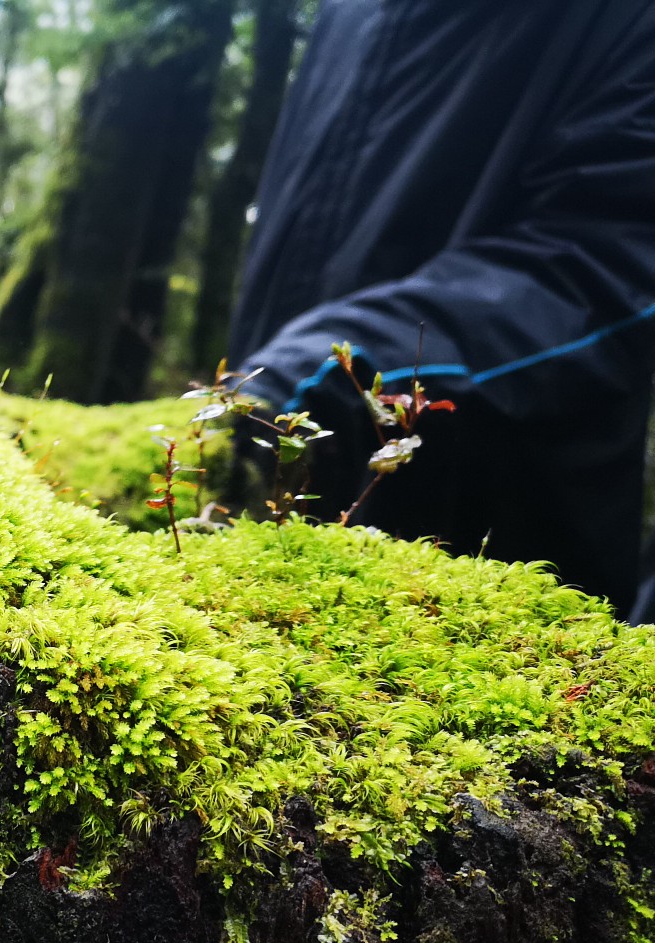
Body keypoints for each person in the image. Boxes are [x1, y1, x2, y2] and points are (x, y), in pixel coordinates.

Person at [228, 0, 655, 615]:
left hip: (498, 598)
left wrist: (324, 370)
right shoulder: (349, 13)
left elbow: (609, 264)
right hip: (256, 544)